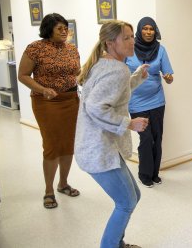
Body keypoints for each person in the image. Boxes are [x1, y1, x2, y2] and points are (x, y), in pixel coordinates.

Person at [75, 20, 149, 248]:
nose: (132, 41)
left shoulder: (103, 63)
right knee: (126, 202)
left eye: (131, 36)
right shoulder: (116, 69)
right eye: (126, 37)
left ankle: (117, 243)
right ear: (110, 42)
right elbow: (96, 107)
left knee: (133, 195)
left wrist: (136, 77)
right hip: (98, 149)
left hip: (100, 147)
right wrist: (129, 124)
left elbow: (113, 92)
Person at [18, 13, 80, 209]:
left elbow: (77, 71)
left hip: (71, 100)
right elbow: (23, 75)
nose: (64, 31)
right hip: (47, 102)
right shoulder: (35, 48)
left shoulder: (72, 48)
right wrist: (42, 89)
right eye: (59, 28)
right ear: (48, 29)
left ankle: (63, 184)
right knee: (52, 145)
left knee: (68, 144)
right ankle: (48, 190)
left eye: (66, 28)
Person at [125, 17, 174, 187]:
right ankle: (144, 174)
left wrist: (168, 78)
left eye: (151, 29)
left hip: (157, 100)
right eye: (145, 28)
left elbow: (169, 77)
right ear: (139, 31)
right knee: (146, 139)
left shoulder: (160, 50)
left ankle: (154, 173)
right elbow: (120, 73)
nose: (148, 32)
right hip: (136, 101)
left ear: (155, 31)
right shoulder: (129, 50)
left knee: (157, 137)